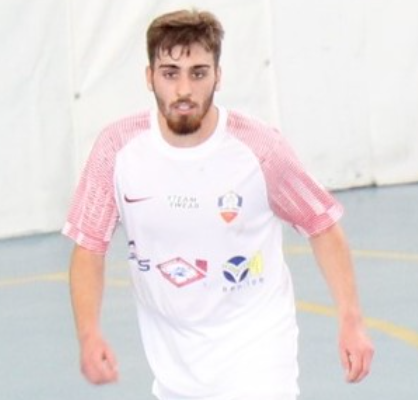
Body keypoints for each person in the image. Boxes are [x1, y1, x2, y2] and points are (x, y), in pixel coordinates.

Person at [63, 8, 374, 400]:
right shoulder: (117, 149)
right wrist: (88, 334)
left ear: (218, 76)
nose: (184, 90)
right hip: (174, 363)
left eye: (198, 73)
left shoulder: (259, 148)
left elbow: (321, 224)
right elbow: (89, 246)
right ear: (149, 77)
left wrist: (351, 320)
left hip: (258, 348)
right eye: (170, 73)